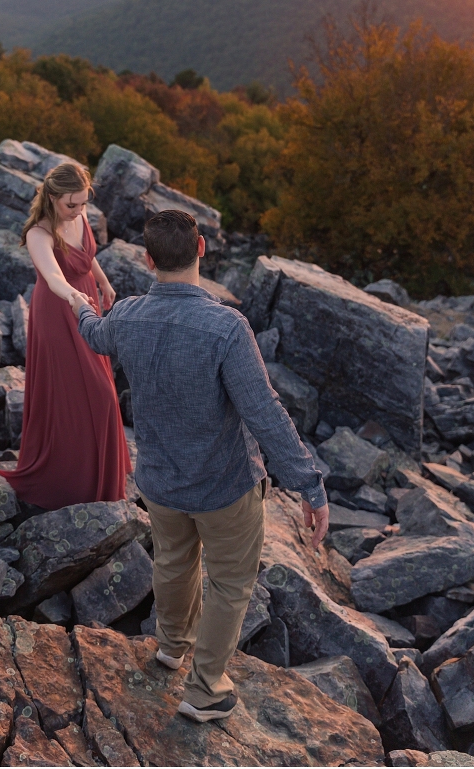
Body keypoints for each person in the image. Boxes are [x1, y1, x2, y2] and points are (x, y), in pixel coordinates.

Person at [72, 208, 328, 723]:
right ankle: (207, 690)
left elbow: (97, 335)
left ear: (147, 259)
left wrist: (81, 308)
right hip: (224, 485)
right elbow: (264, 412)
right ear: (202, 248)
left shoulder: (129, 316)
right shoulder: (225, 327)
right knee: (230, 584)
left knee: (172, 561)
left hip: (161, 483)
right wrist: (310, 485)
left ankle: (170, 647)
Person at [0, 162, 131, 509]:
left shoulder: (79, 216)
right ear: (52, 197)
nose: (79, 211)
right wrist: (74, 296)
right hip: (59, 312)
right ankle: (67, 483)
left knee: (100, 394)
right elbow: (54, 275)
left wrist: (102, 281)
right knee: (82, 396)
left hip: (85, 303)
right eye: (72, 204)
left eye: (84, 203)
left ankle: (100, 482)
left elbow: (86, 257)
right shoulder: (37, 234)